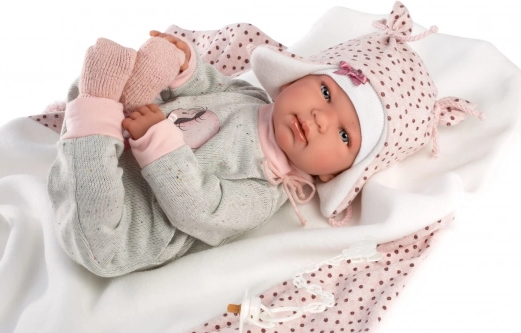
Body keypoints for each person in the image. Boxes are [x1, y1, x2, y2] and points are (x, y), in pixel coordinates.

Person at [46, 30, 385, 278]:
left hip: (115, 230)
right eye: (325, 92)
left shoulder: (264, 188)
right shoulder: (252, 98)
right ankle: (107, 103)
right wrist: (184, 66)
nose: (321, 119)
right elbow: (212, 85)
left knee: (96, 100)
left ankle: (95, 112)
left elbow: (200, 210)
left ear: (331, 175)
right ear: (293, 80)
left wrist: (156, 141)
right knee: (127, 84)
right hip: (121, 145)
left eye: (344, 135)